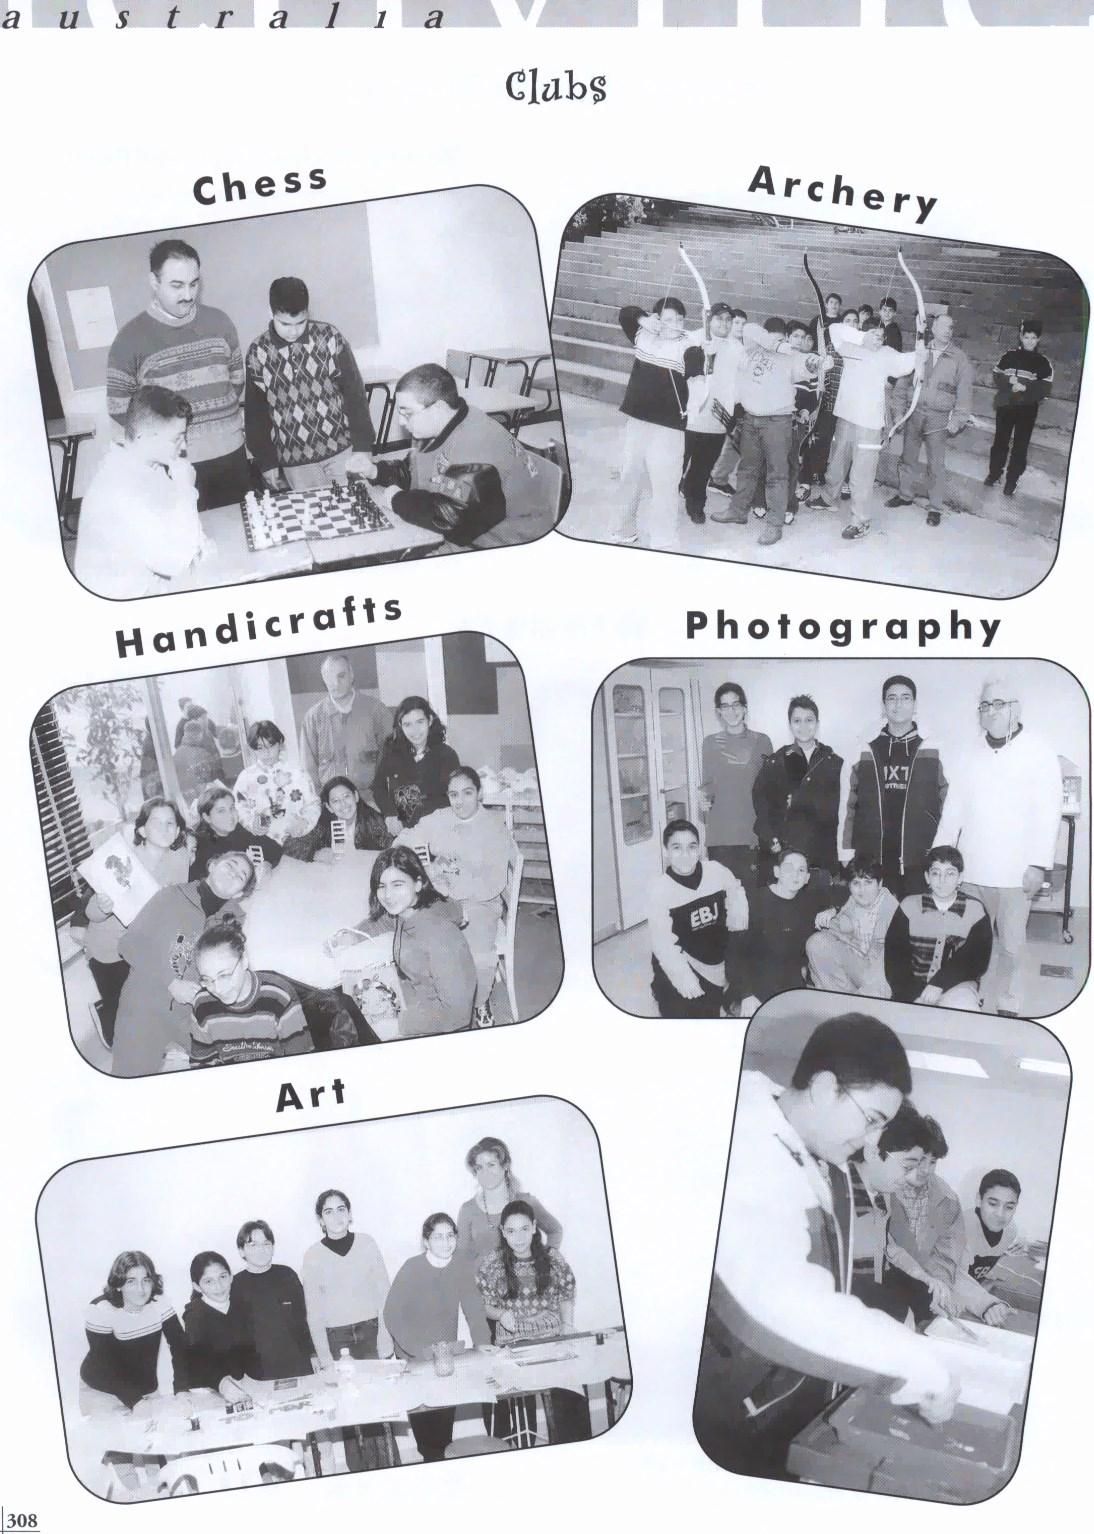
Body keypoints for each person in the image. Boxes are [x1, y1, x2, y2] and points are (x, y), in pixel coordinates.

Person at [692, 1013, 959, 1482]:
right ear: (823, 1088)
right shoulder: (749, 1151)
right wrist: (915, 1367)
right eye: (871, 1120)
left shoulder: (801, 1151)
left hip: (766, 1397)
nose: (872, 1140)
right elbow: (779, 1304)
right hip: (720, 1412)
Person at [937, 676, 1063, 1015]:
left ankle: (1009, 1000)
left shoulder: (1039, 751)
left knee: (1012, 945)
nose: (991, 711)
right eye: (985, 705)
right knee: (969, 937)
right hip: (972, 867)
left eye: (999, 704)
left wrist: (1038, 864)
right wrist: (941, 857)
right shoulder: (969, 752)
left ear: (1015, 710)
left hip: (1015, 873)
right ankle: (966, 992)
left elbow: (1048, 813)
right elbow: (954, 809)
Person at [106, 239, 248, 509]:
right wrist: (167, 443)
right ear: (154, 281)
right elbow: (118, 408)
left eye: (194, 284)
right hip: (172, 468)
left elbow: (237, 381)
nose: (188, 294)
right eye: (176, 285)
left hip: (231, 456)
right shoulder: (129, 339)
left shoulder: (221, 322)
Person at [357, 362, 547, 543]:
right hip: (468, 529)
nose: (401, 422)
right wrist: (376, 471)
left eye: (407, 413)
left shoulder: (476, 445)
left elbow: (451, 520)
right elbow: (415, 471)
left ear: (438, 408)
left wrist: (397, 500)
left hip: (502, 543)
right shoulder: (439, 426)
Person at [111, 849, 256, 1077]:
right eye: (230, 865)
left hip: (191, 1014)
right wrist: (171, 983)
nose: (233, 873)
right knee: (129, 1078)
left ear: (239, 893)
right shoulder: (171, 896)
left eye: (241, 876)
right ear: (212, 865)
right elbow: (129, 944)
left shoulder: (232, 922)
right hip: (145, 1002)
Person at [396, 766, 516, 1026]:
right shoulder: (441, 817)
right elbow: (406, 839)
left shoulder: (494, 828)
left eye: (467, 793)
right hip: (441, 897)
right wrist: (426, 865)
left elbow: (493, 882)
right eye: (453, 795)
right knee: (416, 940)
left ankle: (480, 1000)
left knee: (477, 955)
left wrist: (452, 888)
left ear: (479, 794)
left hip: (480, 902)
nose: (459, 801)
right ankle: (439, 996)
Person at [69, 798, 190, 1048]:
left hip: (143, 946)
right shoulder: (122, 858)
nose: (165, 828)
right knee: (122, 1033)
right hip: (108, 950)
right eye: (156, 822)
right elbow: (91, 913)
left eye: (170, 823)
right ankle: (105, 1011)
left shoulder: (179, 859)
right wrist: (102, 906)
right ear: (142, 830)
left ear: (178, 830)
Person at [73, 387, 214, 599]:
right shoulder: (120, 486)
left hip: (147, 584)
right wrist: (186, 489)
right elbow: (175, 562)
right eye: (177, 438)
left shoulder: (146, 465)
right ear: (144, 437)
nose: (184, 446)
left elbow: (176, 525)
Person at [873, 1112, 1009, 1327]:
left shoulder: (948, 1200)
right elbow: (886, 1252)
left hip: (922, 1288)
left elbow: (946, 1262)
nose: (925, 1170)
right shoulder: (883, 1187)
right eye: (919, 1161)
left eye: (933, 1162)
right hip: (880, 1289)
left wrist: (945, 1291)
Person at [244, 275, 376, 491]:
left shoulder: (330, 337)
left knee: (355, 503)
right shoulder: (257, 352)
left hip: (342, 450)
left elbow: (355, 394)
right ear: (271, 313)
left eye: (301, 322)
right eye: (285, 324)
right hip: (295, 462)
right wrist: (266, 461)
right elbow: (255, 415)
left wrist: (362, 445)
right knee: (312, 510)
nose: (293, 331)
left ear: (308, 312)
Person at [476, 1201, 591, 1444]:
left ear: (534, 1227)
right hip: (514, 1343)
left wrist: (567, 1326)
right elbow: (484, 1303)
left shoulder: (552, 1258)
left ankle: (573, 1445)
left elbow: (566, 1293)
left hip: (551, 1339)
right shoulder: (492, 1263)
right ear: (502, 1231)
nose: (518, 1237)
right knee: (505, 1392)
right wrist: (500, 1314)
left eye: (524, 1229)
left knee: (569, 1388)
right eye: (511, 1231)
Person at [333, 847, 477, 1037]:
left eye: (397, 884)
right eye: (381, 886)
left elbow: (458, 1014)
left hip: (440, 1027)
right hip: (417, 1002)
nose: (388, 895)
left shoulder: (440, 936)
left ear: (418, 884)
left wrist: (399, 1024)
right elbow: (383, 921)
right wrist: (353, 935)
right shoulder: (407, 912)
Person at [384, 1212, 492, 1463]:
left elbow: (474, 1309)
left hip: (445, 1358)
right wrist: (421, 1351)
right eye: (438, 1237)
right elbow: (392, 1315)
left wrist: (483, 1344)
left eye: (450, 1236)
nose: (446, 1242)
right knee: (426, 1437)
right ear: (426, 1241)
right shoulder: (412, 1267)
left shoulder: (460, 1266)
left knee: (443, 1431)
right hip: (414, 1358)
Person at [302, 1189, 394, 1472]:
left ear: (350, 1213)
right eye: (328, 1211)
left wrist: (385, 1338)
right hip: (336, 1340)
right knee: (349, 1412)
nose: (336, 1216)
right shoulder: (313, 1255)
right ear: (321, 1219)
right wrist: (324, 1357)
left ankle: (390, 1469)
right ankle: (359, 1474)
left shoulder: (367, 1243)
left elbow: (384, 1294)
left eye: (341, 1209)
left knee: (379, 1409)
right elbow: (314, 1313)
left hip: (370, 1332)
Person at [807, 316, 922, 540]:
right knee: (837, 461)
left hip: (869, 423)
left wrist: (921, 350)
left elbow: (907, 362)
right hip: (846, 415)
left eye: (881, 336)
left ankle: (860, 520)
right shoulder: (849, 346)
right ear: (863, 332)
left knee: (862, 473)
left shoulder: (887, 354)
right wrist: (863, 338)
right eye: (874, 335)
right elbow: (834, 329)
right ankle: (829, 498)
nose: (878, 339)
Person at [710, 317, 820, 547]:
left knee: (777, 475)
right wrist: (775, 344)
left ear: (786, 338)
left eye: (780, 339)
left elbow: (808, 368)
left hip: (777, 422)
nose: (775, 344)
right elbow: (750, 329)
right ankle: (738, 511)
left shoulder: (793, 357)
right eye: (771, 339)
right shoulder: (754, 347)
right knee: (747, 468)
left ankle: (775, 525)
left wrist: (814, 364)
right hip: (751, 418)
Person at [839, 674, 948, 898]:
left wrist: (944, 848)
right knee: (877, 918)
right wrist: (845, 851)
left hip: (920, 856)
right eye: (892, 698)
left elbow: (949, 803)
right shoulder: (863, 748)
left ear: (915, 704)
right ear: (883, 705)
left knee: (915, 917)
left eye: (905, 698)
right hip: (874, 857)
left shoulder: (936, 748)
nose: (898, 704)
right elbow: (846, 805)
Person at [608, 297, 704, 545]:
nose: (675, 325)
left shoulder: (689, 347)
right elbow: (625, 313)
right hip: (637, 421)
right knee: (630, 476)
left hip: (668, 428)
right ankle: (624, 529)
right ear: (657, 320)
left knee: (665, 484)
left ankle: (663, 538)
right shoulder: (643, 336)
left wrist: (693, 408)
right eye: (668, 320)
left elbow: (697, 383)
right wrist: (644, 320)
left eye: (680, 320)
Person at [645, 818, 749, 1018]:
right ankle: (660, 988)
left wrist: (737, 921)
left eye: (691, 847)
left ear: (699, 849)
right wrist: (683, 977)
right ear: (666, 851)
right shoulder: (659, 890)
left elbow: (736, 891)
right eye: (677, 848)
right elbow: (663, 944)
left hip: (715, 955)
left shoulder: (716, 870)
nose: (685, 855)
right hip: (684, 958)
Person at [887, 313, 974, 528]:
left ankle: (935, 507)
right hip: (914, 413)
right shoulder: (920, 352)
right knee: (908, 457)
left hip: (939, 418)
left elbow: (964, 394)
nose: (947, 331)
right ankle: (905, 495)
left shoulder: (959, 359)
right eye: (943, 326)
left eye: (951, 327)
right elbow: (902, 385)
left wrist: (957, 421)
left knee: (936, 464)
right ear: (933, 329)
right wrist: (899, 413)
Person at [190, 918, 313, 1066]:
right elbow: (202, 1063)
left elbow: (302, 1063)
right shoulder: (202, 1004)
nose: (218, 989)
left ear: (244, 960)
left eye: (224, 975)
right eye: (207, 980)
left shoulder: (279, 996)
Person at [884, 846, 992, 1010]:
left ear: (960, 878)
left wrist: (939, 983)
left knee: (963, 1011)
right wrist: (912, 995)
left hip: (958, 986)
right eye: (936, 873)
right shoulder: (908, 906)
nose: (942, 880)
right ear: (927, 877)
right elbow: (895, 959)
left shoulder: (975, 910)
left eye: (950, 873)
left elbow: (976, 960)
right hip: (913, 985)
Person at [79, 1250, 187, 1415]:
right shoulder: (101, 1309)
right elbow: (104, 1365)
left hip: (144, 1390)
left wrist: (182, 1389)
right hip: (102, 1392)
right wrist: (135, 1401)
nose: (141, 1289)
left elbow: (180, 1347)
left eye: (146, 1280)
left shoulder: (159, 1303)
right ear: (118, 1284)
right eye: (131, 1282)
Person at [751, 695, 843, 879]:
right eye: (797, 721)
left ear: (817, 723)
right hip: (786, 853)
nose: (803, 726)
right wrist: (771, 838)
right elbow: (761, 804)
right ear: (790, 724)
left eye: (809, 720)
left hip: (821, 854)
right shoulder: (776, 761)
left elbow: (838, 809)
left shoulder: (833, 762)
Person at [736, 848, 831, 1016]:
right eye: (789, 868)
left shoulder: (809, 901)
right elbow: (735, 953)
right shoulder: (755, 901)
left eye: (801, 870)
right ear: (777, 872)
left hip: (791, 985)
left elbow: (844, 896)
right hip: (754, 987)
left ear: (807, 878)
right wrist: (746, 994)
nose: (795, 875)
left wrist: (832, 910)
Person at [699, 682, 773, 888]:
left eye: (735, 705)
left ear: (745, 707)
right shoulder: (710, 743)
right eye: (725, 706)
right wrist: (703, 800)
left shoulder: (762, 741)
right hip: (720, 837)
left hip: (752, 835)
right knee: (724, 899)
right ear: (718, 711)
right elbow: (707, 785)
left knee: (753, 898)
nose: (731, 711)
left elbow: (770, 788)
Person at [457, 1136, 564, 1270]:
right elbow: (462, 1256)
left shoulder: (526, 1202)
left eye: (491, 1165)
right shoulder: (468, 1210)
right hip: (481, 1282)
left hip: (523, 1281)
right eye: (479, 1167)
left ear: (505, 1165)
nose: (485, 1173)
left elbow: (555, 1230)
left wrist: (545, 1262)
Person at [298, 653, 393, 803]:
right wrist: (322, 801)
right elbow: (308, 768)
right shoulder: (313, 717)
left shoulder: (376, 710)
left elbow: (390, 756)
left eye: (341, 676)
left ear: (351, 675)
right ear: (324, 680)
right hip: (333, 803)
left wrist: (381, 796)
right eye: (329, 678)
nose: (336, 683)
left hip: (371, 800)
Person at [228, 1220, 314, 1380]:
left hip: (298, 1364)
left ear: (273, 1248)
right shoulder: (235, 1285)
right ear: (241, 1251)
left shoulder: (287, 1275)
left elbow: (304, 1319)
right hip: (258, 1372)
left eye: (266, 1244)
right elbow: (235, 1334)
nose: (261, 1249)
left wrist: (313, 1354)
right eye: (253, 1245)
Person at [806, 856, 899, 998]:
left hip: (881, 974)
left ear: (880, 884)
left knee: (876, 978)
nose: (862, 890)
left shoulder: (890, 907)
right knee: (816, 942)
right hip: (859, 967)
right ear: (849, 886)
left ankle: (853, 1000)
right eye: (856, 883)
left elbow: (883, 957)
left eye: (868, 882)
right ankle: (842, 998)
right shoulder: (853, 901)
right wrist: (828, 918)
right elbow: (839, 928)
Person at [681, 301, 737, 525]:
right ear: (708, 320)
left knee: (703, 467)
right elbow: (685, 368)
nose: (724, 323)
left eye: (728, 319)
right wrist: (703, 353)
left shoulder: (736, 346)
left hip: (717, 418)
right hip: (691, 416)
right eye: (719, 318)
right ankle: (670, 495)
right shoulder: (693, 338)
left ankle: (696, 504)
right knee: (678, 462)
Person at [986, 319, 1054, 498]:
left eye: (1033, 338)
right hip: (1006, 406)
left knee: (1020, 445)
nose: (1029, 341)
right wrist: (1008, 380)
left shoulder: (1042, 362)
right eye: (1026, 337)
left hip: (1026, 409)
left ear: (1038, 340)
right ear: (1021, 337)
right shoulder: (1009, 356)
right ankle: (995, 473)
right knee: (1000, 441)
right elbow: (997, 373)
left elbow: (1045, 387)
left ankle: (1012, 480)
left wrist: (1026, 387)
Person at [373, 696, 461, 834]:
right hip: (401, 830)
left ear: (430, 721)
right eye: (408, 724)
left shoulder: (447, 755)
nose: (415, 730)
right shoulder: (392, 753)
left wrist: (404, 801)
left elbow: (449, 796)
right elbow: (378, 788)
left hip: (437, 828)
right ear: (400, 726)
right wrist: (390, 813)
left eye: (420, 722)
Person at [233, 721, 320, 844]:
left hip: (298, 841)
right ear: (253, 749)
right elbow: (239, 808)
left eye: (271, 745)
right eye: (260, 748)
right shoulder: (246, 777)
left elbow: (313, 804)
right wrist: (252, 825)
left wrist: (305, 822)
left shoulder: (298, 773)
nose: (266, 752)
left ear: (280, 743)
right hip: (262, 843)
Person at [181, 1252, 251, 1403]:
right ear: (197, 1287)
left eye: (223, 1277)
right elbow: (198, 1362)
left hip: (240, 1385)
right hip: (208, 1390)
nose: (218, 1286)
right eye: (209, 1281)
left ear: (231, 1277)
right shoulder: (195, 1315)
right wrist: (223, 1384)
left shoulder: (240, 1305)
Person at [284, 775, 391, 862]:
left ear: (356, 796)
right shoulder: (322, 822)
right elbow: (289, 845)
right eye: (335, 801)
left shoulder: (372, 819)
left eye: (346, 796)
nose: (343, 804)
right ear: (329, 807)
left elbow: (392, 847)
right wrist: (316, 854)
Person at [189, 785, 283, 880]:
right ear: (207, 817)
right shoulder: (197, 847)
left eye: (232, 808)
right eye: (221, 811)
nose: (230, 815)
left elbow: (275, 850)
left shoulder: (238, 829)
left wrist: (266, 864)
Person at [964, 1171, 1027, 1293]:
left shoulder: (1010, 1230)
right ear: (978, 1199)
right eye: (993, 1204)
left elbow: (988, 1253)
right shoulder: (961, 1228)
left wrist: (986, 1272)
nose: (1000, 1214)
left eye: (1009, 1207)